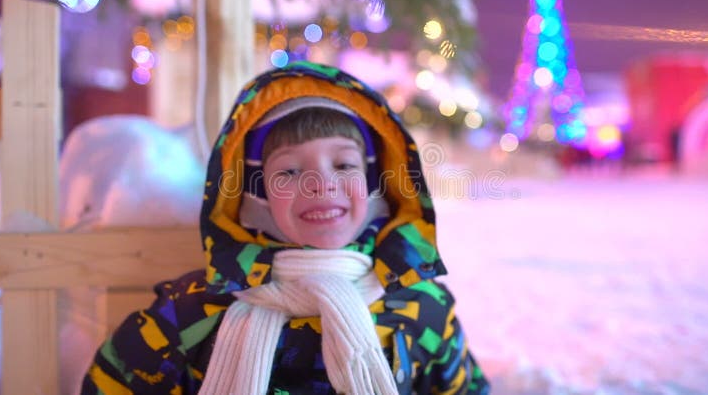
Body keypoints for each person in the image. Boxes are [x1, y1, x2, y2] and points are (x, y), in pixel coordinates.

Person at [82, 61, 489, 394]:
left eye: (344, 165)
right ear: (255, 194)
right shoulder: (193, 311)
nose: (321, 183)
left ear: (375, 179)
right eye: (290, 170)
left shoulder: (422, 306)